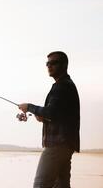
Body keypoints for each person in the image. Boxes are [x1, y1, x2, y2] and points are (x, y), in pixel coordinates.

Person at [18, 51, 80, 188]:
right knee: (61, 186)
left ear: (64, 65)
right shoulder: (66, 85)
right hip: (66, 145)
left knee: (41, 185)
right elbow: (58, 115)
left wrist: (29, 107)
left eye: (54, 63)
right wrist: (41, 117)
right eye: (47, 63)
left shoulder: (62, 86)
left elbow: (51, 112)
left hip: (57, 145)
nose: (49, 66)